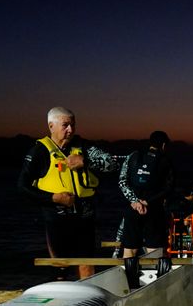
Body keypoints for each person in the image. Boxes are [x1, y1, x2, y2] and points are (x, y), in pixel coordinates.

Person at [17, 106, 120, 279]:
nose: (70, 129)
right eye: (65, 125)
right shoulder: (39, 152)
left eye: (73, 125)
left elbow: (112, 164)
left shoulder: (84, 147)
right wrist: (53, 198)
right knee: (60, 267)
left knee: (87, 264)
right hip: (56, 218)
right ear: (51, 126)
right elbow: (23, 187)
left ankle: (87, 299)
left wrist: (86, 161)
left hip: (85, 218)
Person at [116, 130, 175, 259]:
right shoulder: (165, 160)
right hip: (154, 210)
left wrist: (135, 202)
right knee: (154, 251)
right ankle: (155, 277)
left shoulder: (133, 156)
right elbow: (168, 188)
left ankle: (128, 278)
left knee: (130, 250)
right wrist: (148, 202)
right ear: (164, 145)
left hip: (133, 209)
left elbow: (122, 182)